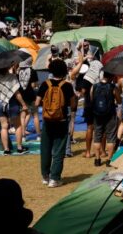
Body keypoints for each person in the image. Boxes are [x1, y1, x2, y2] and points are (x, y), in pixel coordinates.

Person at [36, 59, 77, 188]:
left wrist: (48, 106)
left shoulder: (45, 84)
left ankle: (45, 176)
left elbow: (37, 103)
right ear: (64, 70)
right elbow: (73, 104)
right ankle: (55, 178)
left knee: (45, 149)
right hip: (61, 120)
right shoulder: (67, 85)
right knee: (59, 150)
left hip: (47, 120)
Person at [0, 63, 29, 155]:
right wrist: (24, 104)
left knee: (4, 127)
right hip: (12, 103)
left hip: (0, 103)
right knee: (18, 126)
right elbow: (17, 93)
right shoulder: (12, 77)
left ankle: (6, 150)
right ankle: (19, 148)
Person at [90, 71, 120, 166]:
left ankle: (97, 159)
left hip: (97, 115)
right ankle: (109, 160)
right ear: (111, 77)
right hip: (110, 115)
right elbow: (119, 101)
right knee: (111, 137)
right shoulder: (113, 87)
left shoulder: (94, 86)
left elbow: (92, 100)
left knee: (97, 137)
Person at [18, 56, 40, 141]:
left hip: (22, 96)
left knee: (22, 116)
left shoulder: (18, 71)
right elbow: (34, 85)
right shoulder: (33, 71)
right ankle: (38, 135)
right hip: (31, 95)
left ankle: (23, 136)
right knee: (35, 116)